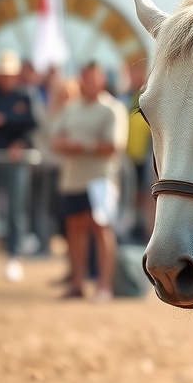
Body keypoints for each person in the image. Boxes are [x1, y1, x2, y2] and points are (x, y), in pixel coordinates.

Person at [50, 62, 128, 302]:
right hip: (72, 180)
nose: (87, 83)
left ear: (101, 80)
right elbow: (55, 139)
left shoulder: (112, 108)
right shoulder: (71, 108)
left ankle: (104, 285)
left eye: (92, 78)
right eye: (84, 78)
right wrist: (80, 146)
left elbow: (113, 146)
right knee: (74, 231)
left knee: (101, 229)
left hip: (100, 180)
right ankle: (77, 283)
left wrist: (80, 146)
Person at [0, 49, 42, 281]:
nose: (5, 77)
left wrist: (10, 129)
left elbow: (32, 123)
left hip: (15, 162)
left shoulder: (24, 96)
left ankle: (13, 256)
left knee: (16, 209)